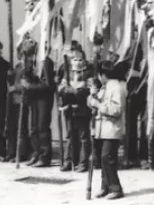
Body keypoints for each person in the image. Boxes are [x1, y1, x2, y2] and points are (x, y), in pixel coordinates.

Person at [89, 60, 127, 200]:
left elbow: (116, 110)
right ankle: (105, 186)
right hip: (102, 129)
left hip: (112, 129)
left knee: (108, 157)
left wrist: (98, 104)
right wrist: (92, 96)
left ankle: (116, 187)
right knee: (102, 158)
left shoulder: (117, 87)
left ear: (103, 74)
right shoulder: (104, 87)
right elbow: (93, 103)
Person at [23, 39, 56, 168]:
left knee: (42, 127)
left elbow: (48, 85)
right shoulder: (32, 62)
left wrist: (30, 86)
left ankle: (45, 156)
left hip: (44, 99)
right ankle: (36, 153)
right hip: (35, 98)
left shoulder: (46, 62)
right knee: (34, 128)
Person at [58, 51, 92, 173]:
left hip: (83, 108)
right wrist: (65, 90)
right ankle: (69, 161)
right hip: (69, 108)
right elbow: (60, 88)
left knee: (84, 136)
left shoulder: (88, 73)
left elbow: (91, 89)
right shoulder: (68, 73)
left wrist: (77, 92)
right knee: (69, 135)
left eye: (79, 59)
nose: (77, 62)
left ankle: (83, 162)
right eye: (74, 59)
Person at [6, 39, 32, 163]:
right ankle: (11, 152)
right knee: (12, 127)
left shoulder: (28, 67)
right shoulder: (17, 67)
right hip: (13, 101)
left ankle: (21, 153)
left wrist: (14, 88)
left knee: (21, 128)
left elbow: (26, 84)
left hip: (22, 100)